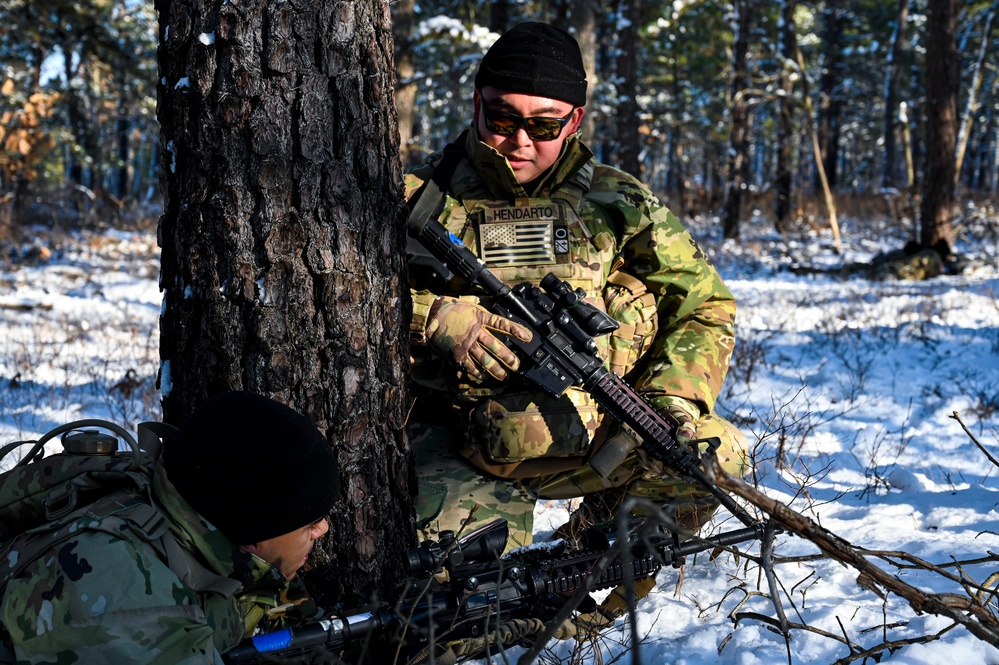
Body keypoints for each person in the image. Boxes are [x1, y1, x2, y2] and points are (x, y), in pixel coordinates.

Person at [405, 21, 750, 624]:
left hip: (597, 438)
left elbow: (705, 305)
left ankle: (585, 588)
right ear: (475, 104)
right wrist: (432, 317)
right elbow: (330, 298)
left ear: (576, 121)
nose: (518, 141)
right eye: (501, 118)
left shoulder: (619, 204)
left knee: (711, 458)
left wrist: (674, 400)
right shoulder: (417, 198)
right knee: (460, 619)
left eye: (543, 125)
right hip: (461, 446)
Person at [0, 391, 339, 664]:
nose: (322, 529)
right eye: (309, 523)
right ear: (252, 538)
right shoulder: (133, 608)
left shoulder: (178, 510)